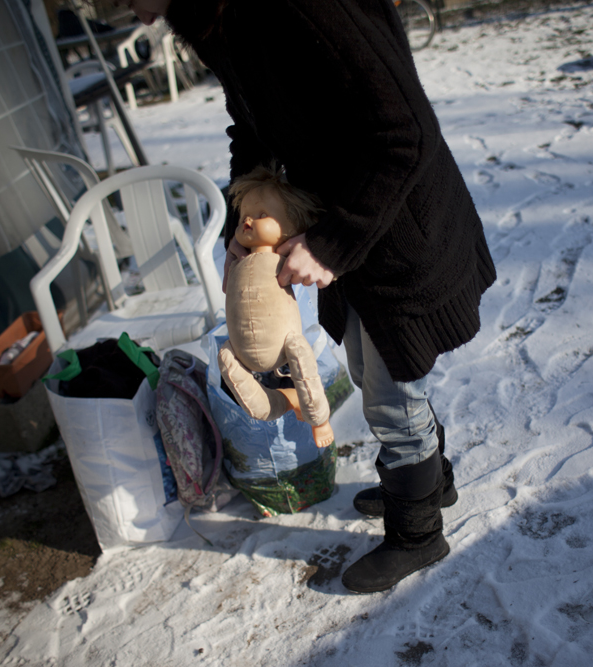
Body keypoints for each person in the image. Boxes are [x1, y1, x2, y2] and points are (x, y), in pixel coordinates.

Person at [120, 0, 496, 594]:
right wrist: (241, 230)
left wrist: (330, 244)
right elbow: (252, 128)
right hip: (342, 237)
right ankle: (430, 478)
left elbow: (405, 131)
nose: (135, 18)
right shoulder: (224, 20)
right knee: (371, 371)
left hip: (395, 235)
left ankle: (418, 534)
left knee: (391, 401)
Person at [217, 164, 335, 447]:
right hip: (240, 348)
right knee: (228, 363)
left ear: (291, 229)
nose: (247, 221)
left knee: (302, 362)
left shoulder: (285, 259)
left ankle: (319, 418)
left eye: (262, 215)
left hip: (285, 342)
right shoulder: (237, 259)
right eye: (245, 215)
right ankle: (285, 399)